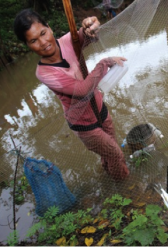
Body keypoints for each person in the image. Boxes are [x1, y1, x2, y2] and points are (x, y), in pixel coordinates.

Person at [14, 9, 129, 181]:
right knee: (115, 153)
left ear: (50, 28)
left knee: (110, 152)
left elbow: (88, 36)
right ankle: (125, 185)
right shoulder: (44, 72)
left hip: (99, 107)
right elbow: (82, 90)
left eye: (43, 33)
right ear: (28, 45)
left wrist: (91, 26)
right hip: (84, 124)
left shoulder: (67, 41)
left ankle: (108, 174)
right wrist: (104, 63)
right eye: (33, 41)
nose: (43, 42)